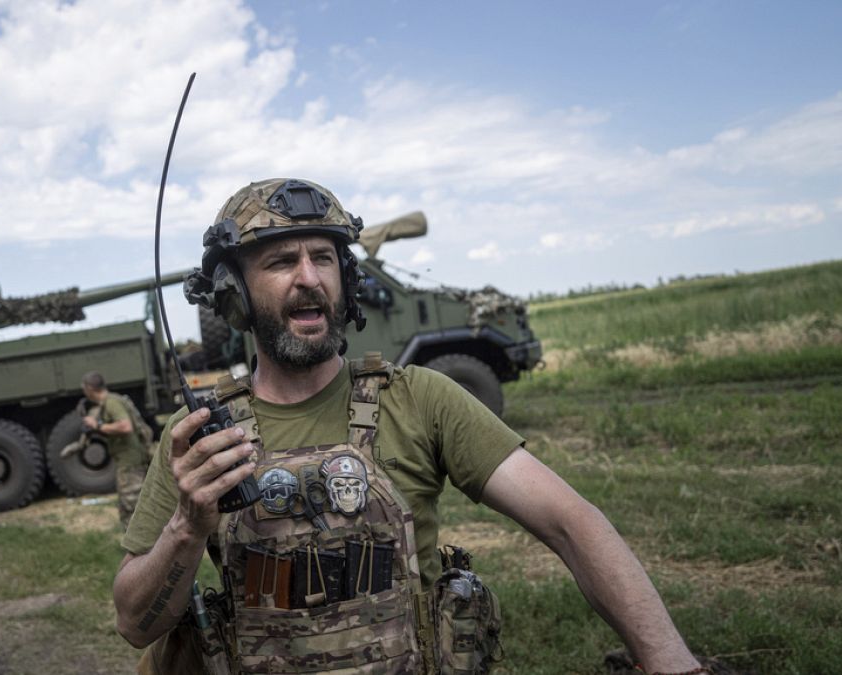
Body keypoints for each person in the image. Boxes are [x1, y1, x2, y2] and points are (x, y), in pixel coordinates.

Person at [113, 179, 705, 674]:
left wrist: (669, 661)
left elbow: (573, 523)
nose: (309, 277)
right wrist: (188, 528)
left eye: (323, 257)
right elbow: (135, 624)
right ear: (233, 295)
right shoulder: (197, 438)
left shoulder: (420, 398)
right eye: (280, 261)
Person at [77, 371, 152, 530]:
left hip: (130, 462)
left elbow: (125, 426)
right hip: (129, 460)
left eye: (84, 388)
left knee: (133, 507)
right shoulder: (112, 401)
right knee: (129, 506)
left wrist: (97, 425)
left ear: (90, 388)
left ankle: (144, 547)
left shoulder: (111, 402)